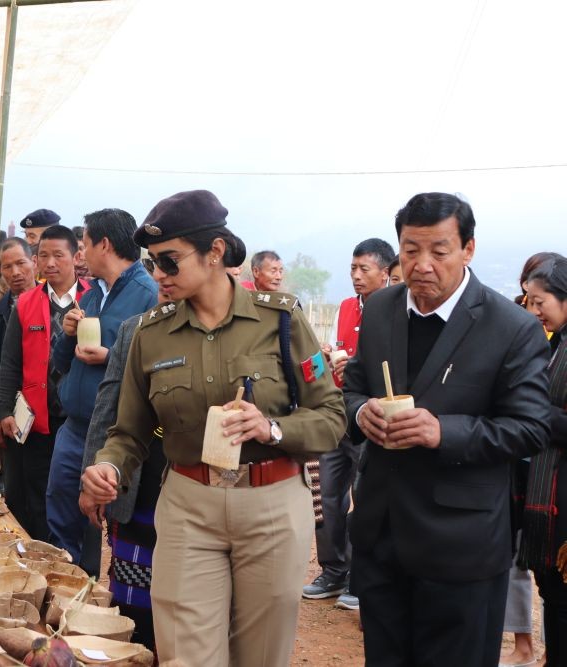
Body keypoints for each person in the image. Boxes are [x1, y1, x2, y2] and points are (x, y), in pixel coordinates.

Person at [82, 190, 345, 666]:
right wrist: (109, 467)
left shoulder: (281, 320)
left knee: (260, 656)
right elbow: (128, 432)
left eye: (170, 261)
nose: (158, 274)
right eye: (152, 262)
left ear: (215, 251)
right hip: (189, 506)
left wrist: (271, 428)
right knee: (185, 655)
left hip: (271, 506)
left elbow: (330, 416)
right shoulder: (150, 333)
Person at [343, 192, 550, 666]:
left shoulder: (511, 326)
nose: (422, 265)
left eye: (439, 251)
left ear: (467, 249)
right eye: (411, 250)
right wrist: (359, 413)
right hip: (381, 536)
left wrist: (444, 432)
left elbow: (530, 427)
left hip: (461, 547)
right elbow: (352, 388)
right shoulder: (381, 309)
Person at [47, 208, 158, 573]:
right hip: (74, 426)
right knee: (61, 514)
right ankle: (64, 587)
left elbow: (155, 367)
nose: (81, 255)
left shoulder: (148, 296)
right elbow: (61, 360)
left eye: (84, 245)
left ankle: (88, 593)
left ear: (104, 244)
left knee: (99, 521)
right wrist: (67, 333)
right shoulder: (92, 294)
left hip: (112, 434)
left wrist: (110, 357)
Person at [303, 237, 394, 610]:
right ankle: (333, 570)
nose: (356, 275)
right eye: (353, 268)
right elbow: (338, 351)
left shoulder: (395, 311)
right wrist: (328, 358)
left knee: (365, 495)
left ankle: (360, 577)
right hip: (337, 412)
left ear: (385, 273)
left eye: (364, 269)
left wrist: (355, 367)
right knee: (326, 494)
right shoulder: (345, 307)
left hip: (371, 417)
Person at [80, 281, 168, 652]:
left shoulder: (227, 337)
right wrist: (92, 479)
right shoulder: (135, 330)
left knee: (186, 614)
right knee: (133, 610)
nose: (166, 282)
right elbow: (107, 408)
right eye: (160, 269)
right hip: (139, 487)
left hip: (193, 495)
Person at [0, 225, 89, 541]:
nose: (50, 263)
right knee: (36, 497)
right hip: (37, 421)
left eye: (58, 255)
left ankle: (74, 560)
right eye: (43, 256)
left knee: (74, 497)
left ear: (76, 257)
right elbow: (10, 362)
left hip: (78, 420)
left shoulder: (94, 299)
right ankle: (40, 555)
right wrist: (4, 409)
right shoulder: (25, 303)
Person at [520, 255, 567, 667]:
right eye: (528, 302)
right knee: (552, 590)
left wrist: (532, 412)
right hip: (549, 485)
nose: (534, 311)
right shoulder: (557, 342)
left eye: (540, 302)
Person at [0, 238, 38, 488]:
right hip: (10, 418)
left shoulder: (53, 307)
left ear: (34, 263)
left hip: (48, 419)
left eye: (21, 263)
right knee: (15, 488)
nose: (15, 272)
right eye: (7, 267)